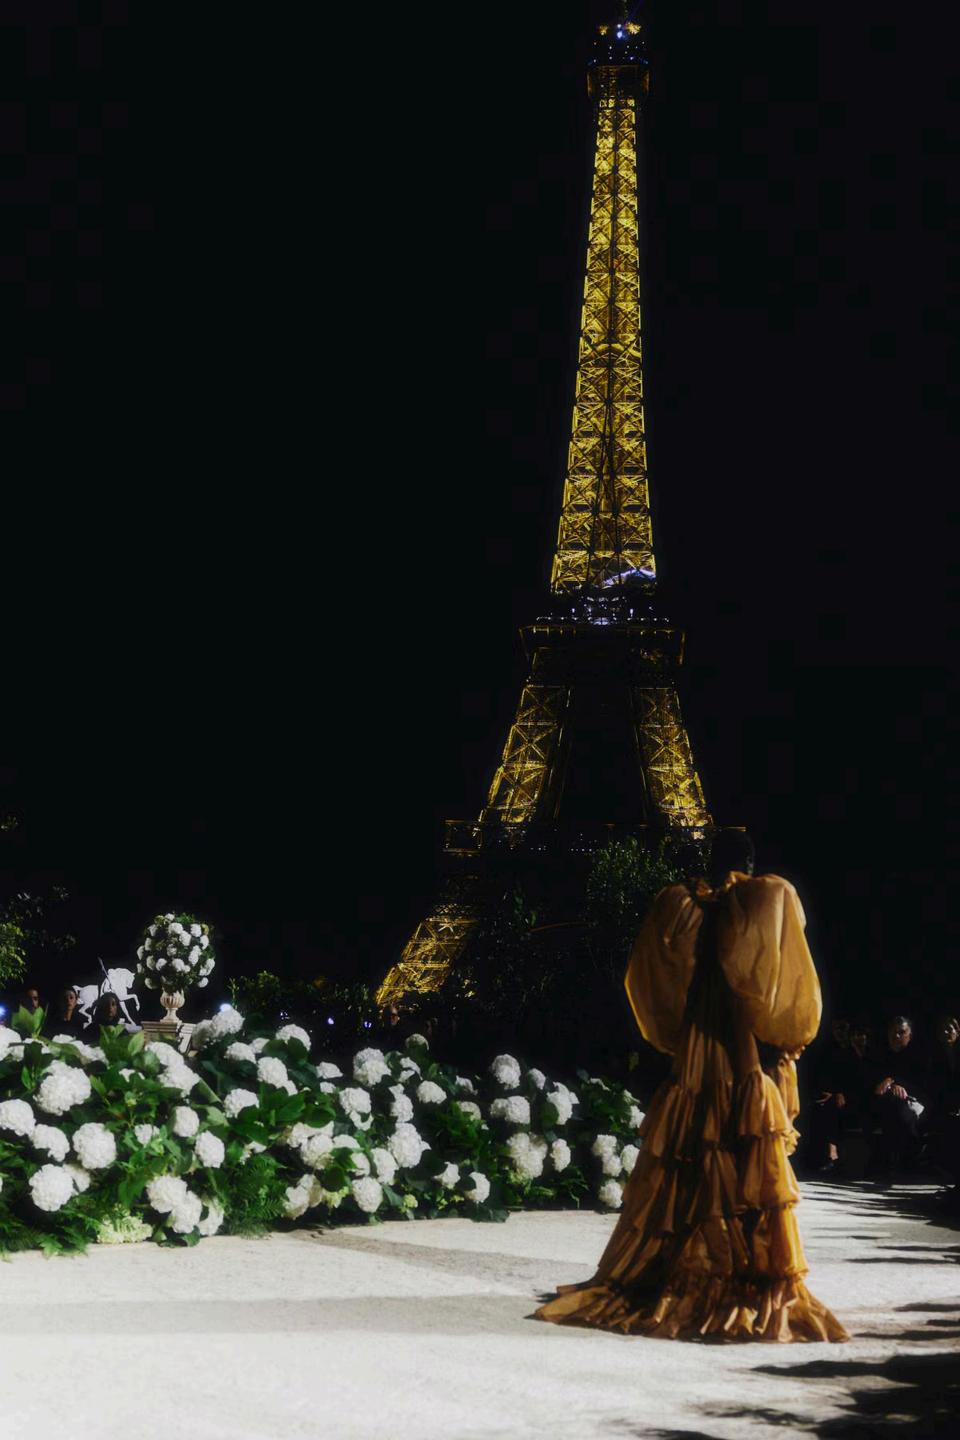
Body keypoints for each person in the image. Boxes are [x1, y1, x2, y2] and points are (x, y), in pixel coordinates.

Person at [534, 830, 848, 1342]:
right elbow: (774, 978)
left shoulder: (679, 905)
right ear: (749, 863)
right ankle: (746, 1272)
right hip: (739, 1040)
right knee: (743, 1149)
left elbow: (656, 979)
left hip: (699, 1040)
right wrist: (785, 1038)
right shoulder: (765, 898)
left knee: (688, 1147)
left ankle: (670, 1265)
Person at [868, 1015, 927, 1174]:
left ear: (910, 1036)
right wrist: (886, 1083)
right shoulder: (879, 1055)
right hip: (883, 1102)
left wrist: (896, 1083)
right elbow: (872, 1081)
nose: (896, 1036)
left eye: (902, 1032)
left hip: (913, 1103)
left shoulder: (918, 1057)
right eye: (893, 1032)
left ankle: (907, 1157)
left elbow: (922, 1085)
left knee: (899, 1110)